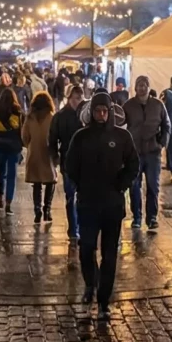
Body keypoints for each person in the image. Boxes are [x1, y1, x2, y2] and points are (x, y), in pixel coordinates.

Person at [63, 93, 138, 319]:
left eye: (105, 111)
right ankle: (90, 283)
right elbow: (70, 165)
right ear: (92, 112)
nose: (101, 115)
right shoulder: (81, 137)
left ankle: (104, 297)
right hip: (88, 203)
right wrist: (82, 185)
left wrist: (121, 185)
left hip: (112, 203)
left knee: (109, 253)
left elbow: (133, 164)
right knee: (87, 248)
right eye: (98, 111)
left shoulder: (122, 136)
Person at [123, 76, 169, 231]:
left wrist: (162, 143)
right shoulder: (128, 106)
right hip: (134, 151)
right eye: (139, 85)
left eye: (144, 85)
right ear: (135, 88)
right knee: (134, 185)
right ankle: (136, 217)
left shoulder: (158, 105)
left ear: (149, 87)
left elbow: (166, 125)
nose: (142, 88)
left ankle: (152, 217)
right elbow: (121, 124)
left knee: (153, 186)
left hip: (152, 152)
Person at [49, 85, 85, 240]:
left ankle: (80, 227)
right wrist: (55, 156)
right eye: (76, 98)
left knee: (83, 196)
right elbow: (52, 138)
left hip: (85, 162)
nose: (79, 101)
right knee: (71, 196)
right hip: (68, 161)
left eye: (81, 98)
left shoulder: (85, 116)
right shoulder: (60, 116)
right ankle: (73, 228)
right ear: (69, 98)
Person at [22, 90, 58, 223]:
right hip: (48, 153)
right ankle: (47, 210)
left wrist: (30, 145)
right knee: (51, 181)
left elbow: (25, 137)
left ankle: (37, 210)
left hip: (34, 154)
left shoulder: (30, 117)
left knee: (36, 184)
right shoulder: (52, 117)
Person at [0, 89, 24, 212]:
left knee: (1, 173)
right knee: (11, 175)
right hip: (13, 147)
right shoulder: (18, 112)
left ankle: (0, 197)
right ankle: (9, 202)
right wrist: (21, 145)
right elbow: (21, 131)